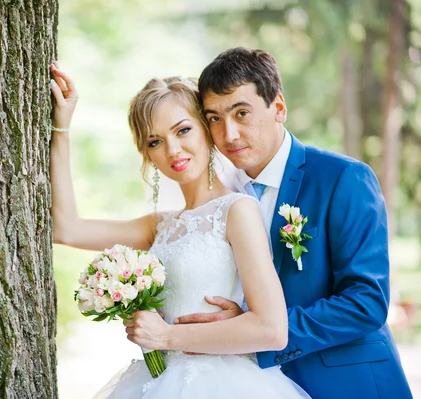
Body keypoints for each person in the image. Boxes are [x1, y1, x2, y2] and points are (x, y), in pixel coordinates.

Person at [49, 62, 310, 398]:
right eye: (155, 141)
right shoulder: (159, 224)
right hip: (156, 382)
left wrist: (166, 337)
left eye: (183, 130)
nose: (172, 150)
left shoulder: (236, 211)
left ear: (206, 129)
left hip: (222, 383)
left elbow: (272, 330)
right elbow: (67, 229)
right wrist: (63, 127)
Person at [172, 47, 413, 399]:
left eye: (242, 113)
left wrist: (258, 332)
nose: (230, 134)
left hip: (348, 384)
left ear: (279, 108)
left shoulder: (343, 178)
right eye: (214, 119)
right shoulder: (222, 198)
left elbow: (366, 302)